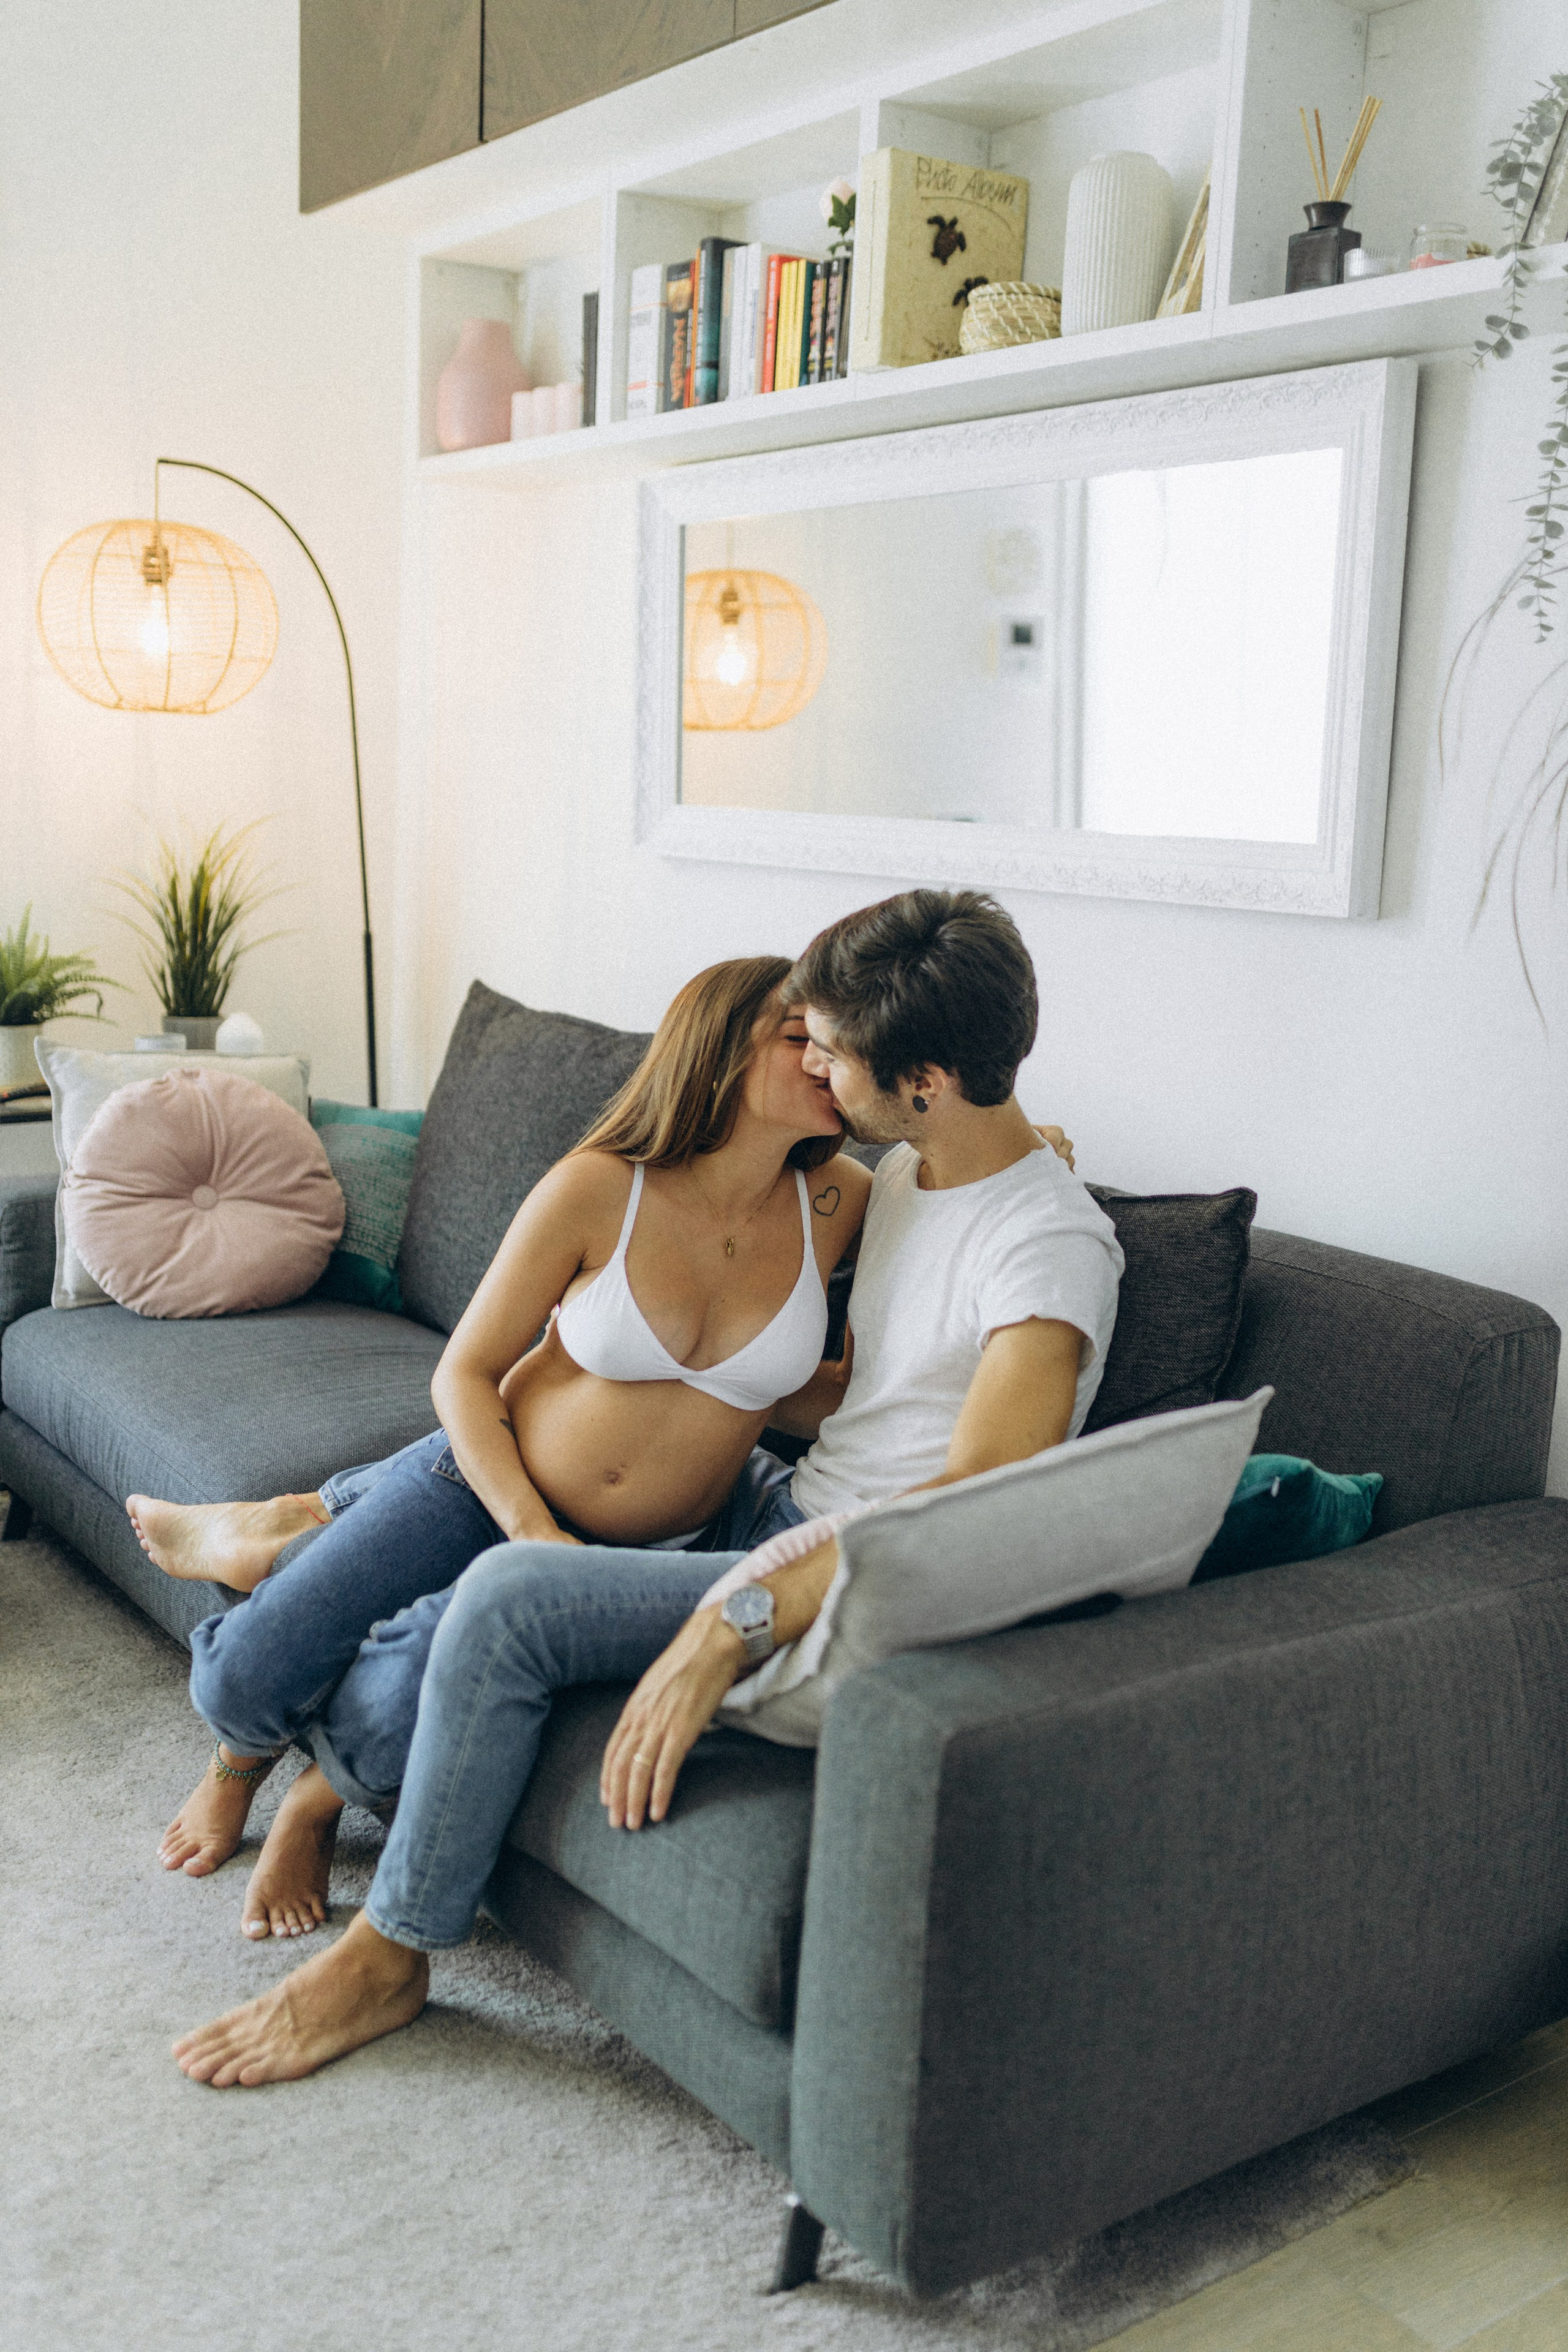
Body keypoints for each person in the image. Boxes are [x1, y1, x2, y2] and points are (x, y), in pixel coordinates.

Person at [170, 888, 1125, 2089]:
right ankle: (313, 1536)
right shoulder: (905, 1180)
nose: (818, 1063)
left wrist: (736, 1618)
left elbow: (977, 1498)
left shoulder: (1037, 1241)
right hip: (750, 1504)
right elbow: (855, 1393)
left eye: (830, 1047)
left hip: (807, 1564)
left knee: (494, 1615)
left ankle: (389, 1947)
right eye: (801, 1039)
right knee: (316, 1646)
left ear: (922, 1080)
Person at [153, 955, 871, 1925]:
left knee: (389, 1704)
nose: (832, 1062)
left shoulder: (841, 1203)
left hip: (654, 1550)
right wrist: (529, 1528)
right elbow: (464, 1373)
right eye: (803, 1041)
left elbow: (804, 1390)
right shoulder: (599, 1188)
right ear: (719, 1051)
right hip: (490, 1484)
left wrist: (1020, 1142)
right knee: (245, 1673)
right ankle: (239, 1757)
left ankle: (313, 1804)